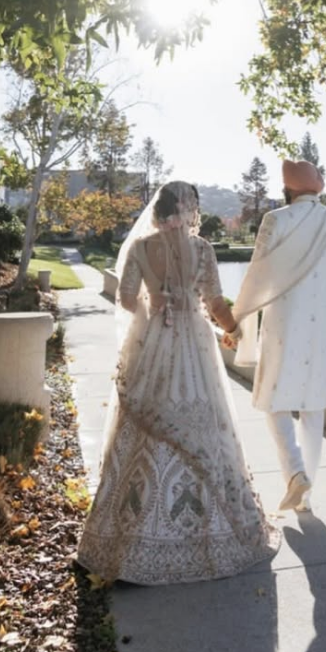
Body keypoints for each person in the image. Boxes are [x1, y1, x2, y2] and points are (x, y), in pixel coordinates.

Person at [77, 181, 280, 584]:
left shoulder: (138, 248)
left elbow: (127, 299)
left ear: (157, 210)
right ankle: (213, 531)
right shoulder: (201, 249)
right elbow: (215, 303)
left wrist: (156, 305)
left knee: (145, 426)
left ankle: (133, 536)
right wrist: (233, 331)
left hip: (154, 342)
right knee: (205, 423)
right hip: (194, 347)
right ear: (188, 210)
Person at [224, 160, 326, 513]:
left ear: (288, 189)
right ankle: (305, 496)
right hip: (322, 329)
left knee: (274, 400)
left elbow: (256, 277)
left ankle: (295, 473)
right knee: (313, 409)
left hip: (283, 325)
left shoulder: (276, 220)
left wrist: (236, 322)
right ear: (316, 186)